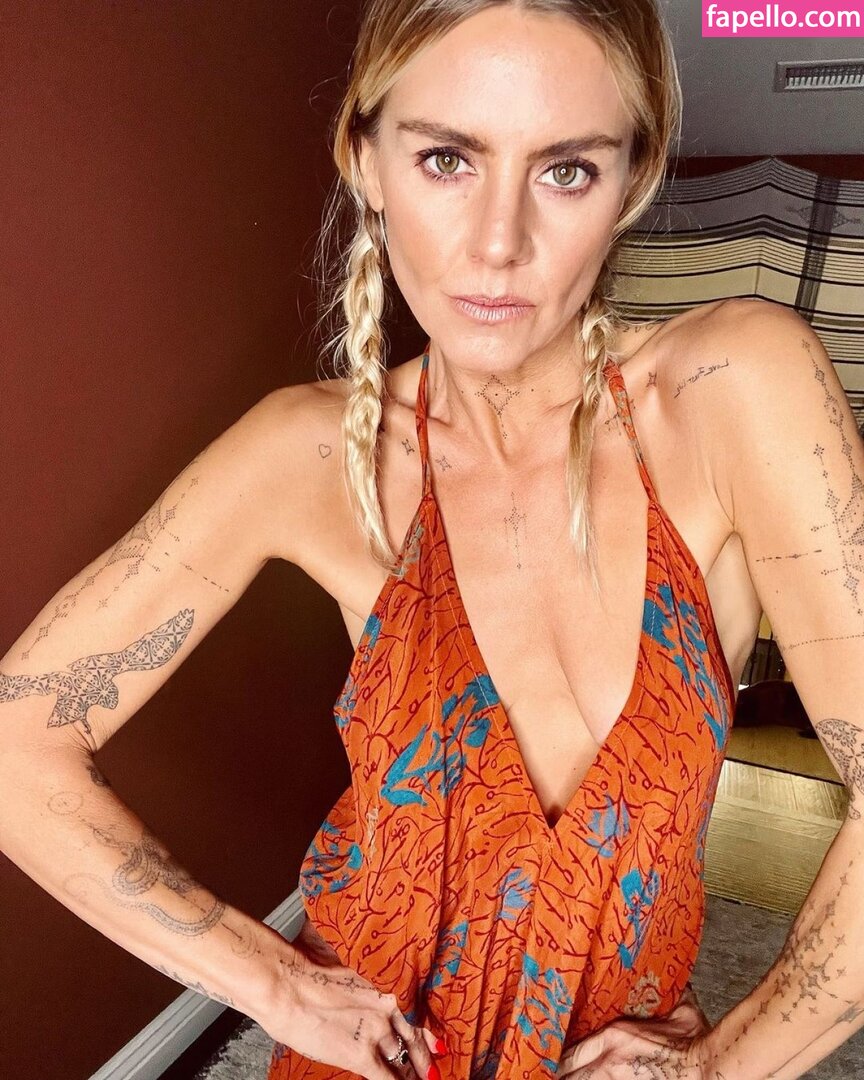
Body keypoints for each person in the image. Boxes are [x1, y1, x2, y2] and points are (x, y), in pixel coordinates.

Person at [3, 1, 864, 1078]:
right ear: (364, 161)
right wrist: (273, 984)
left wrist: (722, 1066)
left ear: (632, 182)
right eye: (447, 159)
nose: (499, 244)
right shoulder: (309, 453)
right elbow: (15, 745)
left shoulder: (730, 390)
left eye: (567, 171)